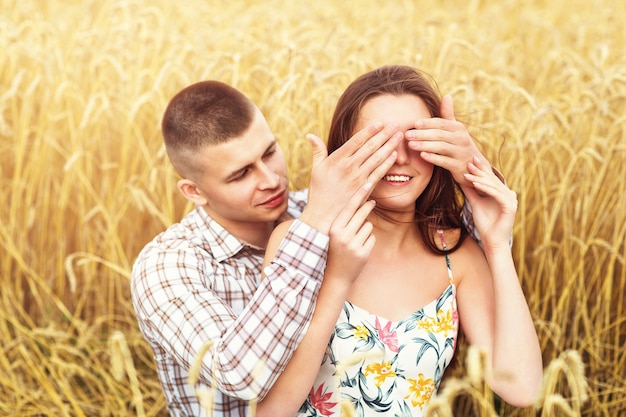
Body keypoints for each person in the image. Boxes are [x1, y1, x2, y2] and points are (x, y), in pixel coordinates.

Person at [131, 77, 497, 417]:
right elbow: (240, 375)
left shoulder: (317, 206)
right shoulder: (167, 266)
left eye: (270, 152)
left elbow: (446, 236)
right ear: (193, 191)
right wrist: (316, 222)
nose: (271, 179)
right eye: (241, 174)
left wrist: (470, 168)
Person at [255, 65, 542, 417]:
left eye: (415, 138)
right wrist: (337, 279)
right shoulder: (300, 241)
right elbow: (270, 412)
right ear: (346, 148)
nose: (402, 157)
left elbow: (521, 387)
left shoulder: (456, 257)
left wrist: (497, 245)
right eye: (380, 142)